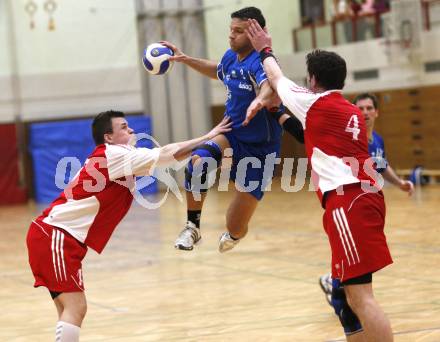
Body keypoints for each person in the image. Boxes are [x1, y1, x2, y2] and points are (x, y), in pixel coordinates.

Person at [246, 20, 394, 341]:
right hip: (364, 198)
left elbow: (276, 77)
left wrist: (265, 49)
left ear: (313, 80)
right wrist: (277, 113)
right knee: (350, 295)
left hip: (348, 200)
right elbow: (309, 135)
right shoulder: (348, 109)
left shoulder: (315, 101)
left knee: (362, 297)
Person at [26, 110, 231, 342]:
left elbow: (168, 158)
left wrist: (208, 150)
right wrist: (210, 136)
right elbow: (166, 153)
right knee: (76, 308)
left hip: (54, 236)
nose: (131, 129)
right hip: (56, 235)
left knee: (68, 310)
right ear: (108, 137)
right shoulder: (115, 154)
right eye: (123, 127)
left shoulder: (119, 157)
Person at [161, 7, 284, 253]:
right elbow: (219, 71)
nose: (231, 36)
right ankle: (192, 227)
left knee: (235, 224)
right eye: (231, 30)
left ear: (254, 34)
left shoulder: (262, 62)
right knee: (197, 162)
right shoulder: (231, 57)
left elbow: (269, 86)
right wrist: (186, 59)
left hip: (260, 149)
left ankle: (236, 234)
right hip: (231, 133)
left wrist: (260, 100)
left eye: (238, 32)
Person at [318, 92, 414, 333]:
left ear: (376, 112)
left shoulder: (377, 140)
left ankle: (336, 281)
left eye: (369, 108)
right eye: (360, 108)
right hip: (348, 207)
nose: (365, 112)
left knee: (361, 257)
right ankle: (338, 283)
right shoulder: (349, 139)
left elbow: (383, 164)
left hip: (371, 207)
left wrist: (399, 182)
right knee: (355, 261)